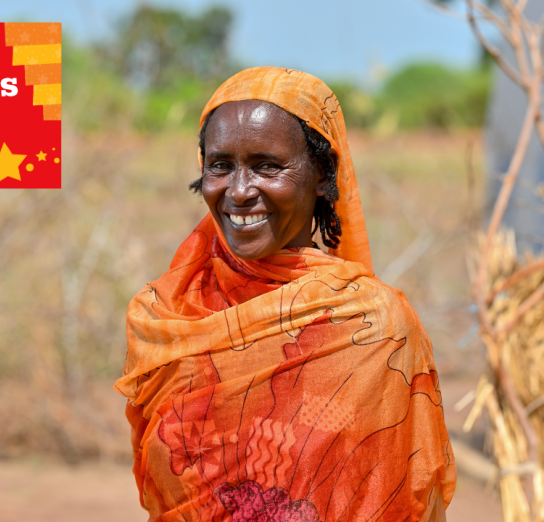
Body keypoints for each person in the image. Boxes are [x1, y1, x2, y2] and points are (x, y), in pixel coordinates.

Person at [115, 67, 456, 521]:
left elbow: (392, 494)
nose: (239, 191)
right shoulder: (166, 317)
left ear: (322, 175)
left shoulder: (372, 328)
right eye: (220, 166)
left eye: (267, 166)